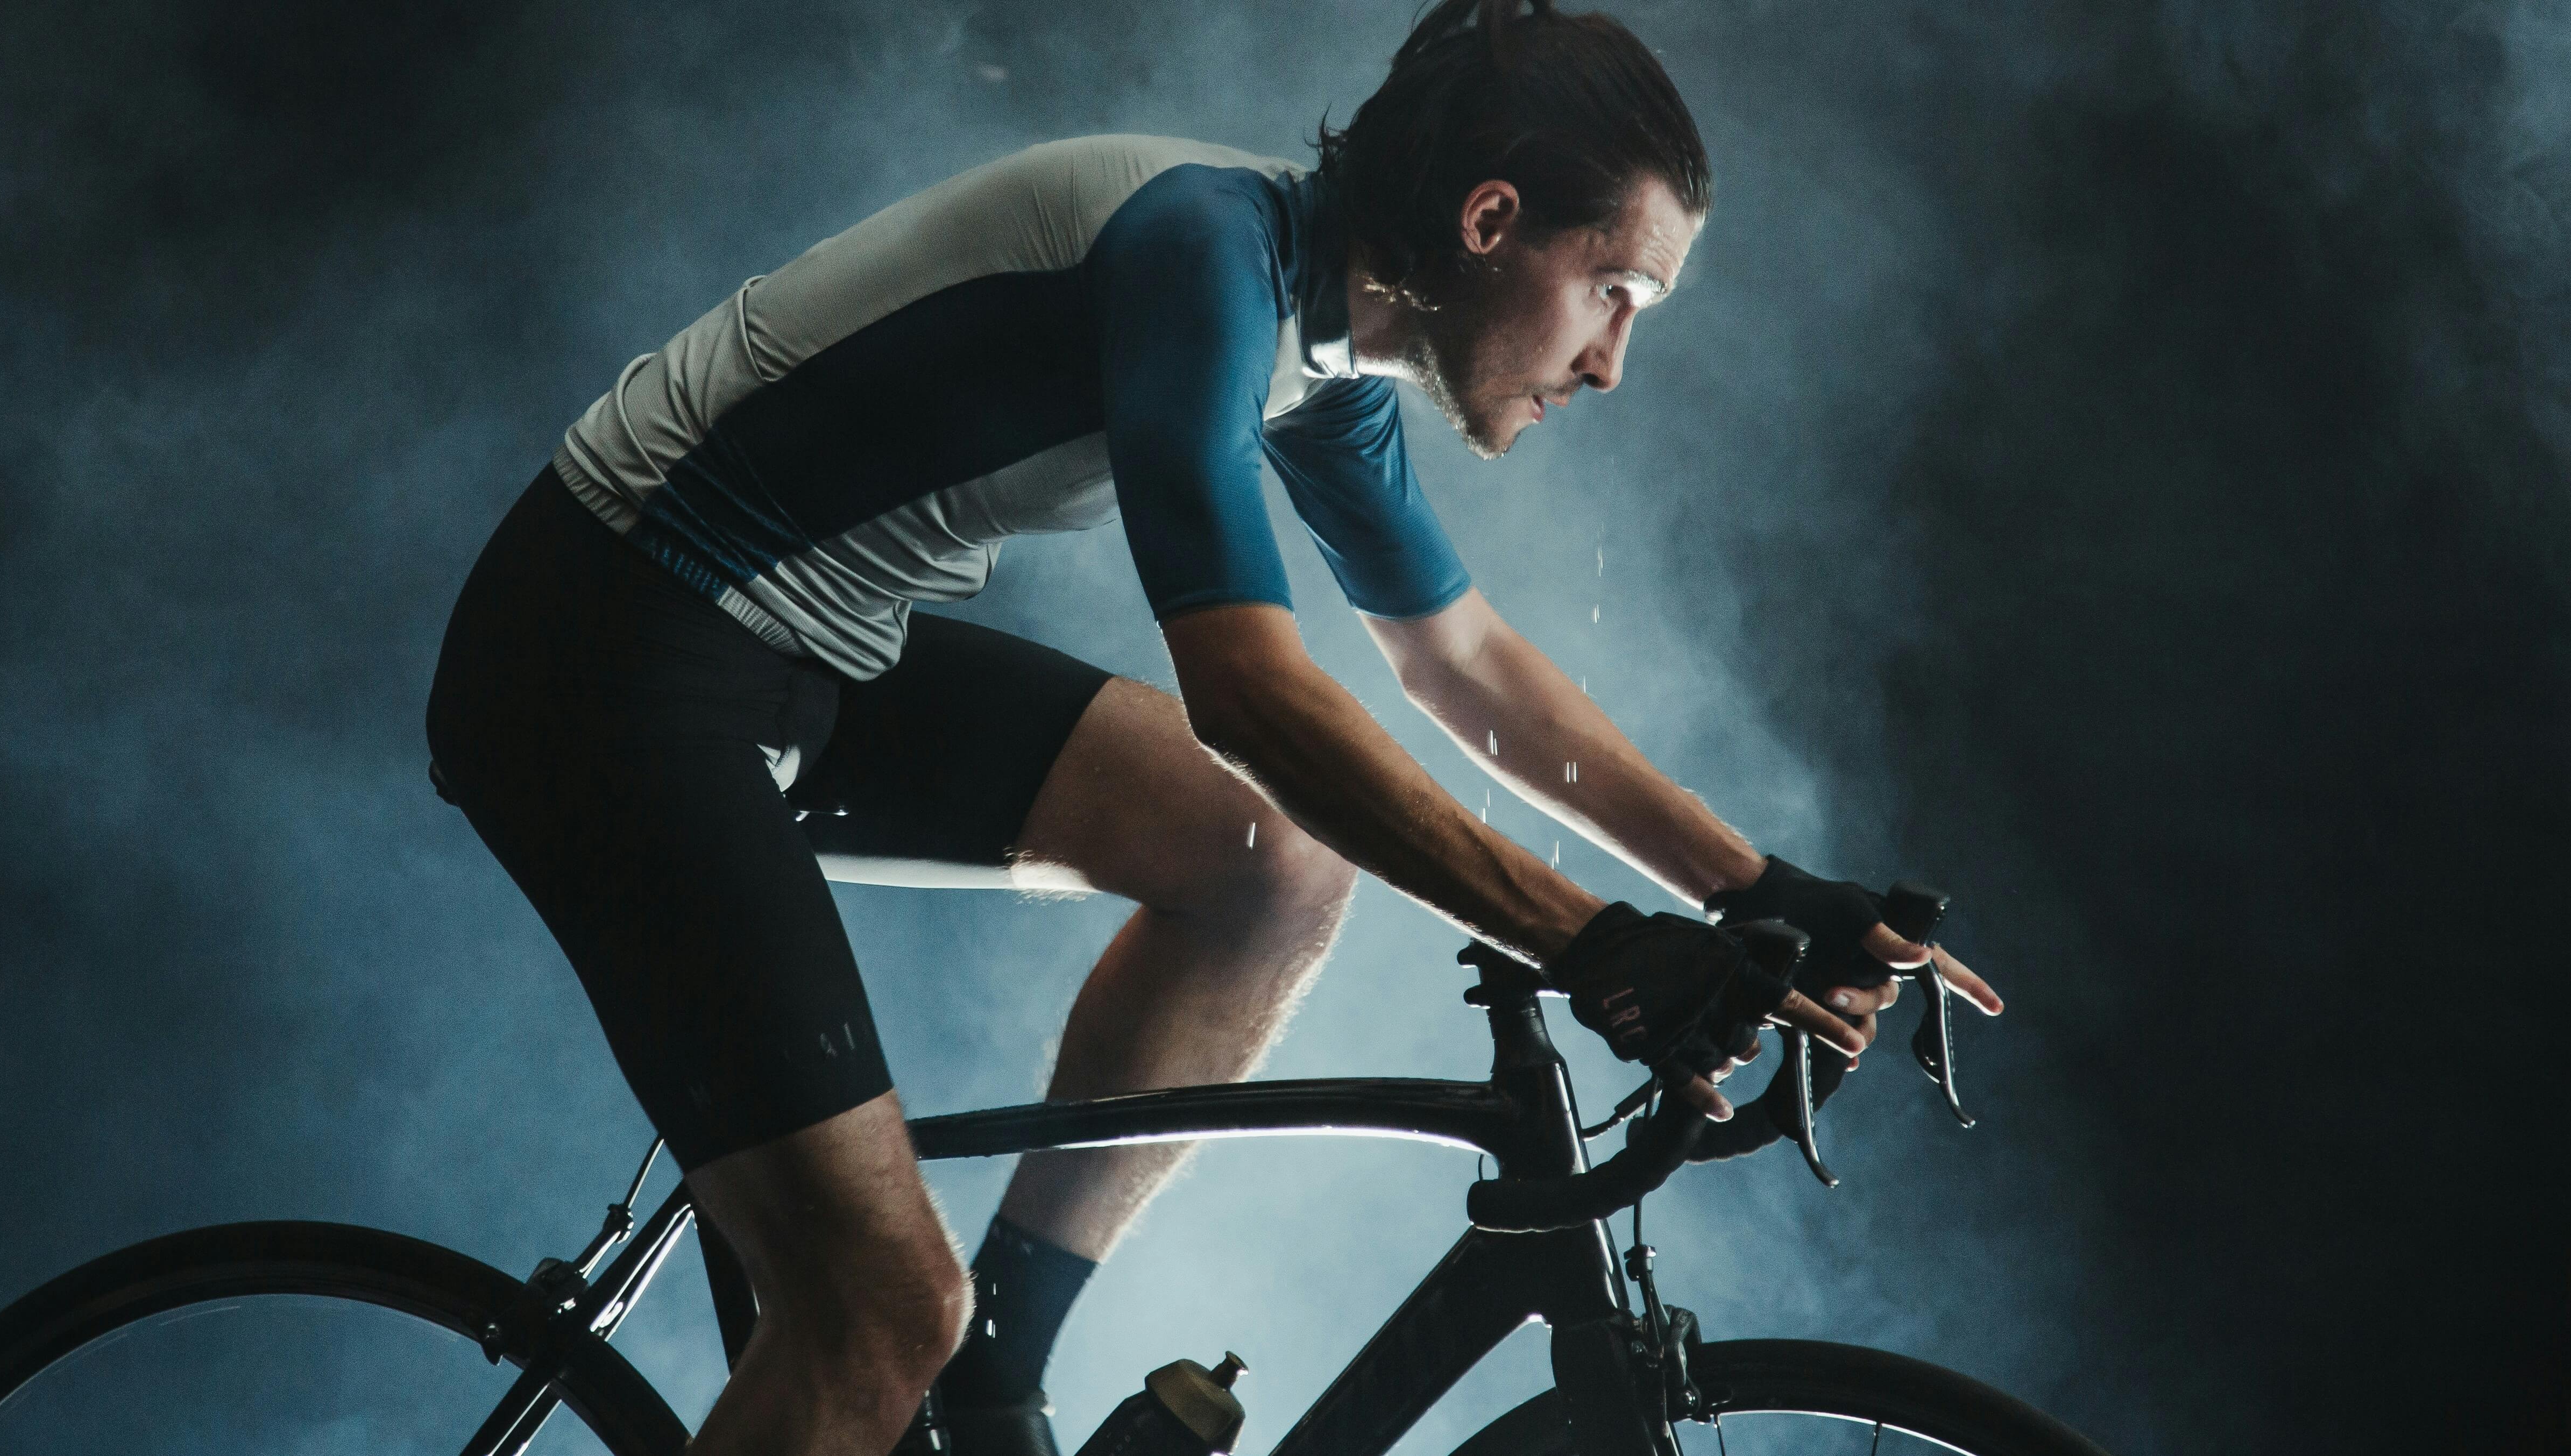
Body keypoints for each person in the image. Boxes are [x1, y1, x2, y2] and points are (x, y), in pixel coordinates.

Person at [423, 3, 2004, 1452]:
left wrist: (1752, 887)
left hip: (803, 654)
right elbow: (1246, 690)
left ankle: (996, 1377)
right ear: (1490, 220)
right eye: (1614, 292)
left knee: (1273, 868)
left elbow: (1463, 667)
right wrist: (1593, 943)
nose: (1613, 359)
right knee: (874, 1312)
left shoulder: (1334, 355)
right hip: (605, 652)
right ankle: (930, 1345)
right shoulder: (1202, 248)